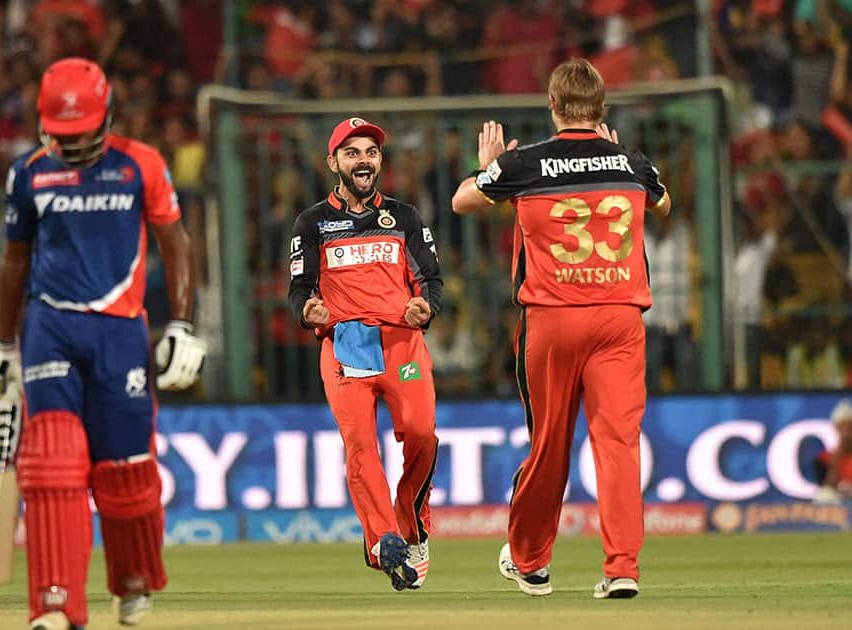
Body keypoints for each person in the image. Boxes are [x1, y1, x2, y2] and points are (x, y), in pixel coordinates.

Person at [0, 58, 206, 630]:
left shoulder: (141, 164)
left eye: (83, 137)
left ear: (108, 118)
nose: (73, 149)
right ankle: (55, 603)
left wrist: (182, 324)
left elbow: (175, 243)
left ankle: (133, 579)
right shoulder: (28, 173)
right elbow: (15, 260)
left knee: (126, 472)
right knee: (52, 464)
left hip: (120, 330)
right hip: (50, 325)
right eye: (63, 137)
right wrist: (5, 343)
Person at [451, 58, 672, 600]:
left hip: (552, 319)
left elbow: (461, 202)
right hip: (620, 319)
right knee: (619, 444)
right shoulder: (633, 163)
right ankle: (621, 568)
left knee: (550, 443)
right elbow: (664, 204)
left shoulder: (526, 163)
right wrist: (617, 157)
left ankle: (531, 562)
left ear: (552, 107)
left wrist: (491, 168)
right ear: (603, 109)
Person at [288, 117, 443, 591]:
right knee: (361, 447)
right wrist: (309, 310)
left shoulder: (406, 217)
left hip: (401, 342)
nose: (364, 160)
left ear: (380, 162)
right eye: (352, 152)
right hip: (346, 344)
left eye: (371, 152)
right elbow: (299, 288)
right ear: (333, 162)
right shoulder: (312, 223)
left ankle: (410, 519)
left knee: (421, 433)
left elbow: (432, 281)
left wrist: (425, 306)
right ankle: (384, 541)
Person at [813, 399, 852, 503]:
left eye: (850, 426)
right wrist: (841, 448)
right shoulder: (823, 458)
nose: (847, 430)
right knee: (824, 495)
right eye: (843, 426)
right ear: (836, 427)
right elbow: (827, 486)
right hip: (838, 501)